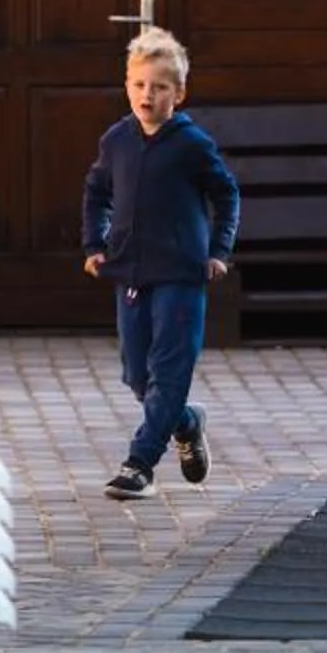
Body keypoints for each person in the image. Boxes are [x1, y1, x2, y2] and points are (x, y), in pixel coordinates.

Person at [82, 27, 241, 500]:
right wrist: (96, 243)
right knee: (137, 374)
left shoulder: (191, 144)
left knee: (170, 370)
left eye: (159, 87)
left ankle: (140, 463)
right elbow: (96, 192)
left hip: (181, 274)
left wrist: (218, 251)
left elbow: (226, 194)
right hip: (130, 272)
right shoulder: (117, 141)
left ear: (179, 93)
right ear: (127, 84)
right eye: (138, 85)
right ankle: (187, 421)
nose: (147, 95)